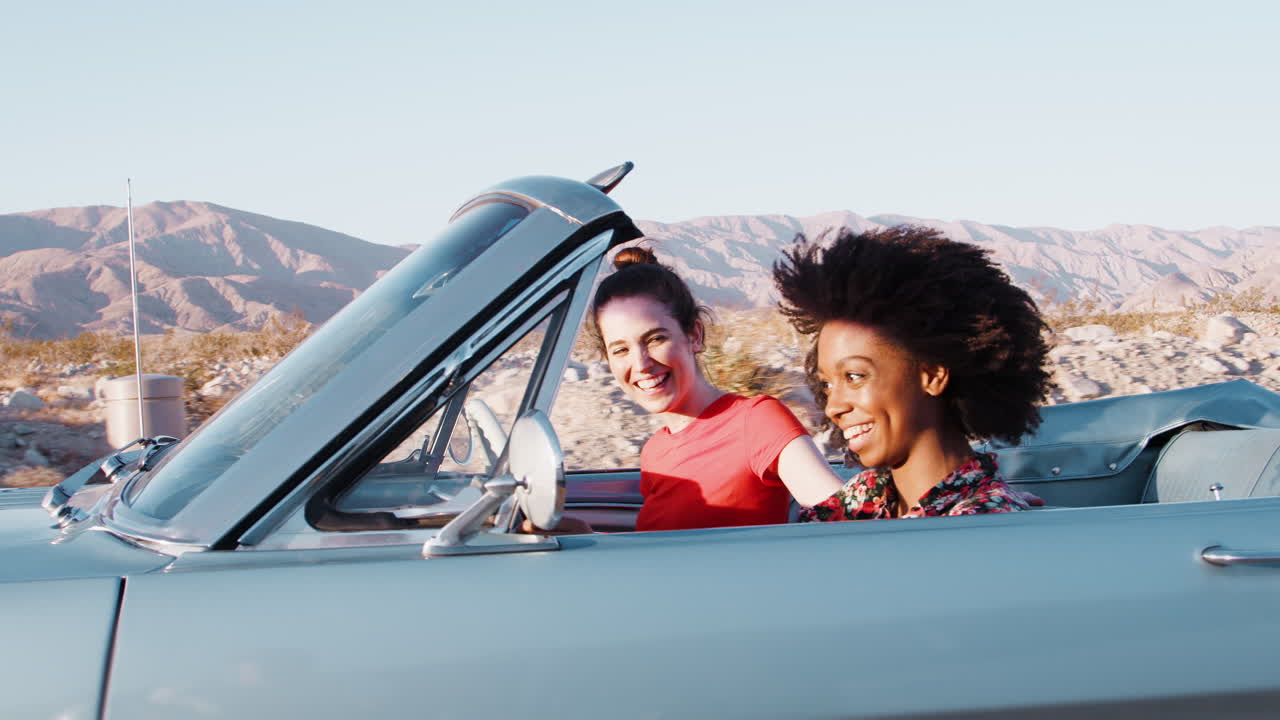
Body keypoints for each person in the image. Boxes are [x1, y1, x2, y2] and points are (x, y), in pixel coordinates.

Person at [771, 225, 1053, 520]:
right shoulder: (858, 503)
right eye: (827, 384)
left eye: (854, 377)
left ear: (931, 375)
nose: (833, 407)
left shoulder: (983, 524)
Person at [589, 246, 843, 531]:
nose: (641, 364)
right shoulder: (654, 452)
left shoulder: (756, 421)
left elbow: (844, 521)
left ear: (694, 336)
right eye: (620, 349)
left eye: (656, 339)